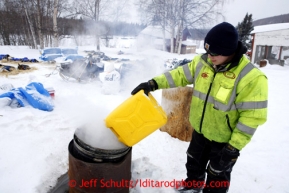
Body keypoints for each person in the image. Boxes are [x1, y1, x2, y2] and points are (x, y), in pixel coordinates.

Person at [131, 22, 268, 193]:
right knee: (193, 161)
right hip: (200, 131)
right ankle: (192, 185)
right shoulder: (203, 62)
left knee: (217, 175)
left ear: (229, 50)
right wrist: (153, 83)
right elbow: (179, 75)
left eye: (214, 52)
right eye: (207, 50)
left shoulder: (251, 77)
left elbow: (252, 117)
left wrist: (233, 148)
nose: (209, 56)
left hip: (224, 140)